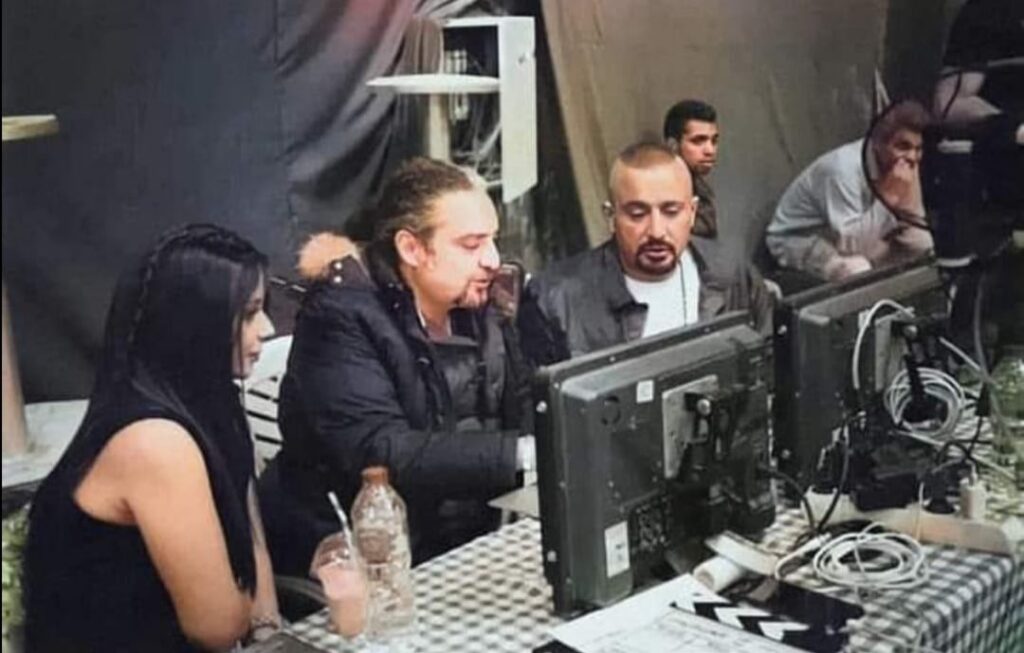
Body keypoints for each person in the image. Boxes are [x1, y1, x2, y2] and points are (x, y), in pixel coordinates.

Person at [259, 158, 533, 574]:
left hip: (470, 538)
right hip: (363, 553)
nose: (493, 260)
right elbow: (380, 449)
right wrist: (520, 453)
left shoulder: (483, 302)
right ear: (411, 249)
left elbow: (526, 399)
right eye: (471, 245)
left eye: (492, 241)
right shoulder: (339, 315)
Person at [24, 224, 280, 652]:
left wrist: (269, 631)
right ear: (197, 323)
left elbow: (248, 531)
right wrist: (248, 618)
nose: (267, 328)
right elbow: (216, 626)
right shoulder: (155, 441)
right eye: (250, 312)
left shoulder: (214, 404)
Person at [519, 141, 772, 365]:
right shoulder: (555, 299)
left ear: (692, 212)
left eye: (671, 212)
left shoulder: (734, 276)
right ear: (611, 216)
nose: (656, 232)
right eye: (638, 214)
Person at [765, 100, 934, 282]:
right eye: (903, 146)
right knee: (857, 270)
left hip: (855, 236)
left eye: (918, 149)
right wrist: (889, 198)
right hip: (800, 238)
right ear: (878, 143)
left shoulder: (905, 166)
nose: (912, 157)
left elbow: (917, 233)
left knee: (923, 255)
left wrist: (924, 254)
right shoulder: (843, 168)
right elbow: (852, 246)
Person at [663, 99, 720, 238]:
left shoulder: (701, 190)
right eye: (698, 141)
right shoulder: (660, 194)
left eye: (714, 141)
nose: (710, 150)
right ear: (673, 146)